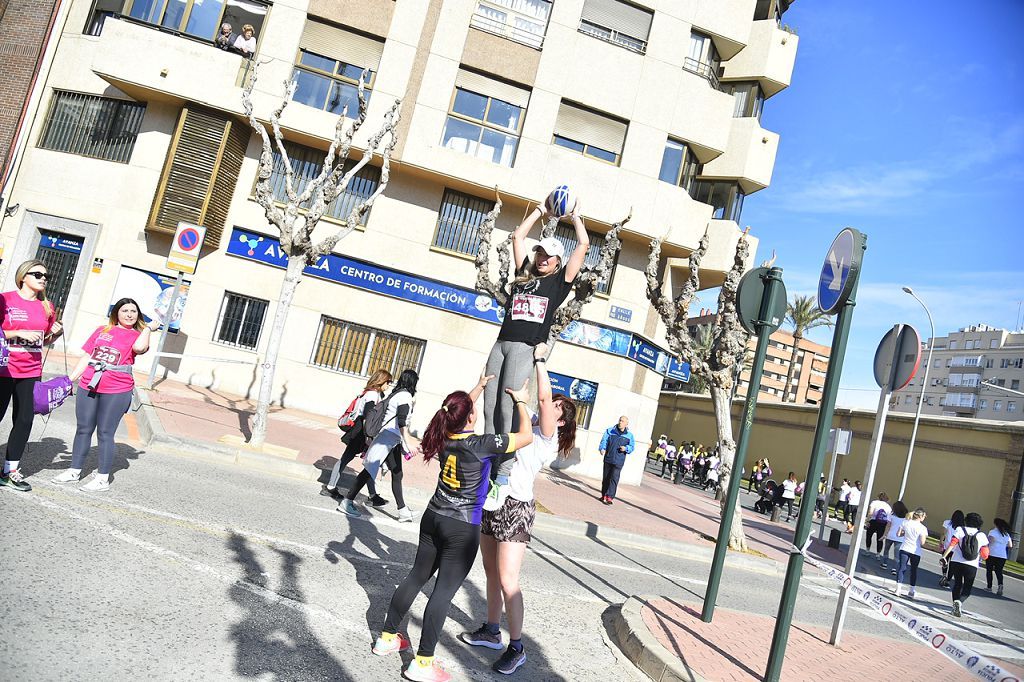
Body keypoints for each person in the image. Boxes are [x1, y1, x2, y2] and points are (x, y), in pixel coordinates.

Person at [371, 378, 533, 682]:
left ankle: (387, 638)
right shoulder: (481, 444)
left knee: (416, 576)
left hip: (433, 517)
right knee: (443, 592)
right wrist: (522, 400)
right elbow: (525, 436)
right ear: (470, 416)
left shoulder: (442, 434)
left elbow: (453, 411)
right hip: (461, 526)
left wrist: (479, 387)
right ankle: (422, 663)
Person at [462, 343, 578, 674]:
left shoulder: (547, 435)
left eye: (556, 406)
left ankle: (517, 647)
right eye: (551, 402)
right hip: (494, 500)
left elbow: (542, 398)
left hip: (516, 508)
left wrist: (540, 360)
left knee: (508, 579)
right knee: (491, 571)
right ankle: (491, 629)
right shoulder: (526, 421)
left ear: (560, 418)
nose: (549, 405)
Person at [482, 203, 588, 506]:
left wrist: (575, 216)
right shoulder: (524, 277)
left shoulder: (558, 283)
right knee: (490, 407)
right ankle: (489, 464)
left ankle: (502, 477)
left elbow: (583, 245)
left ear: (557, 262)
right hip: (501, 343)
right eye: (540, 253)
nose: (542, 259)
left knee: (508, 408)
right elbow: (517, 238)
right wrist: (540, 210)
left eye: (549, 256)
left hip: (526, 348)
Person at [51, 298, 156, 491]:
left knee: (105, 433)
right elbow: (88, 356)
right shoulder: (102, 330)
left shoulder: (138, 335)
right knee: (83, 429)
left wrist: (148, 328)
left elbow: (140, 349)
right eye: (125, 310)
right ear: (116, 313)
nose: (129, 314)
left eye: (133, 311)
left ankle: (102, 478)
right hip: (89, 384)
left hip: (117, 389)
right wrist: (71, 380)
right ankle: (74, 470)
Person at [0, 259, 63, 492]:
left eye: (46, 276)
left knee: (25, 419)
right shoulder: (5, 299)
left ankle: (10, 471)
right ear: (23, 276)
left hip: (30, 371)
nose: (43, 279)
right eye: (38, 274)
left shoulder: (47, 307)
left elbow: (44, 339)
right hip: (4, 367)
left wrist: (55, 335)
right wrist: (17, 332)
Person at [341, 369, 419, 521]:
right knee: (369, 471)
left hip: (390, 439)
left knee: (397, 473)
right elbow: (402, 421)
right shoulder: (405, 396)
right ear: (413, 382)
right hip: (387, 439)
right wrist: (408, 442)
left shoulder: (396, 394)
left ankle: (403, 511)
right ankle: (347, 501)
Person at [320, 369, 391, 505]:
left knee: (368, 462)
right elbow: (367, 416)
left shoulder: (369, 393)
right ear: (381, 381)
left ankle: (372, 495)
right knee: (360, 461)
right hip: (361, 432)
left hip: (360, 431)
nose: (388, 385)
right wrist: (368, 436)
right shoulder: (372, 395)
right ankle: (331, 487)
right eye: (388, 382)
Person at [942, 512, 989, 617]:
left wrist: (944, 556)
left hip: (956, 561)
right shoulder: (982, 535)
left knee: (957, 584)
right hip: (971, 565)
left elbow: (952, 544)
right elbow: (985, 554)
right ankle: (960, 602)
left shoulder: (960, 529)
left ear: (966, 521)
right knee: (967, 588)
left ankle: (955, 603)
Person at [599, 415, 634, 504]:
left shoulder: (629, 435)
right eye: (620, 420)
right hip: (608, 458)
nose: (620, 422)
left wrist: (626, 448)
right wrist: (602, 448)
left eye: (622, 421)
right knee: (606, 478)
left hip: (619, 460)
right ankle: (604, 495)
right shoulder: (610, 431)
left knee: (614, 478)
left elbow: (632, 447)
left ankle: (610, 497)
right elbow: (604, 440)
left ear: (626, 424)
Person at [895, 507, 927, 598]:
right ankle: (911, 591)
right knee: (913, 570)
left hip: (905, 547)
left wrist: (905, 534)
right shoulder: (922, 528)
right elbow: (922, 542)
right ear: (921, 517)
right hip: (916, 551)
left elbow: (898, 534)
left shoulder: (905, 522)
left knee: (902, 568)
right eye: (924, 516)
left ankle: (898, 589)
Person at [986, 518, 1013, 596]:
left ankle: (989, 587)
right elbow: (1010, 545)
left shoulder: (993, 532)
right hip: (1002, 555)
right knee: (999, 571)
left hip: (992, 554)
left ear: (996, 524)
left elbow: (990, 541)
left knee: (989, 570)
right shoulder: (1006, 534)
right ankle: (1000, 585)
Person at [939, 509, 965, 588]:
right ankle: (948, 579)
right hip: (956, 548)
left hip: (947, 546)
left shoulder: (947, 522)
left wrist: (941, 541)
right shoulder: (962, 527)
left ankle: (944, 575)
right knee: (952, 565)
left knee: (945, 561)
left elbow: (943, 533)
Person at [880, 501, 909, 570]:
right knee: (896, 554)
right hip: (899, 538)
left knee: (886, 550)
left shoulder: (891, 516)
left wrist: (884, 535)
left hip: (890, 535)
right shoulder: (905, 519)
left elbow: (888, 526)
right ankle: (894, 568)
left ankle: (884, 564)